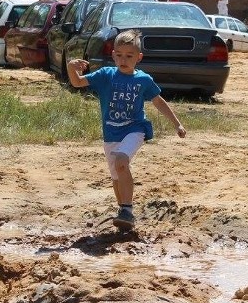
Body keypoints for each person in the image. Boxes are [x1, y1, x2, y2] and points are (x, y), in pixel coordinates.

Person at [67, 29, 187, 229]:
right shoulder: (106, 75)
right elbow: (78, 82)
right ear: (113, 55)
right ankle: (124, 213)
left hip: (135, 129)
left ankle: (127, 209)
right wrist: (72, 68)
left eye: (129, 56)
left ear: (139, 58)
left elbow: (158, 101)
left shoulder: (143, 80)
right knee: (116, 177)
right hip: (111, 133)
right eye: (119, 55)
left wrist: (177, 123)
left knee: (122, 161)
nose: (123, 60)